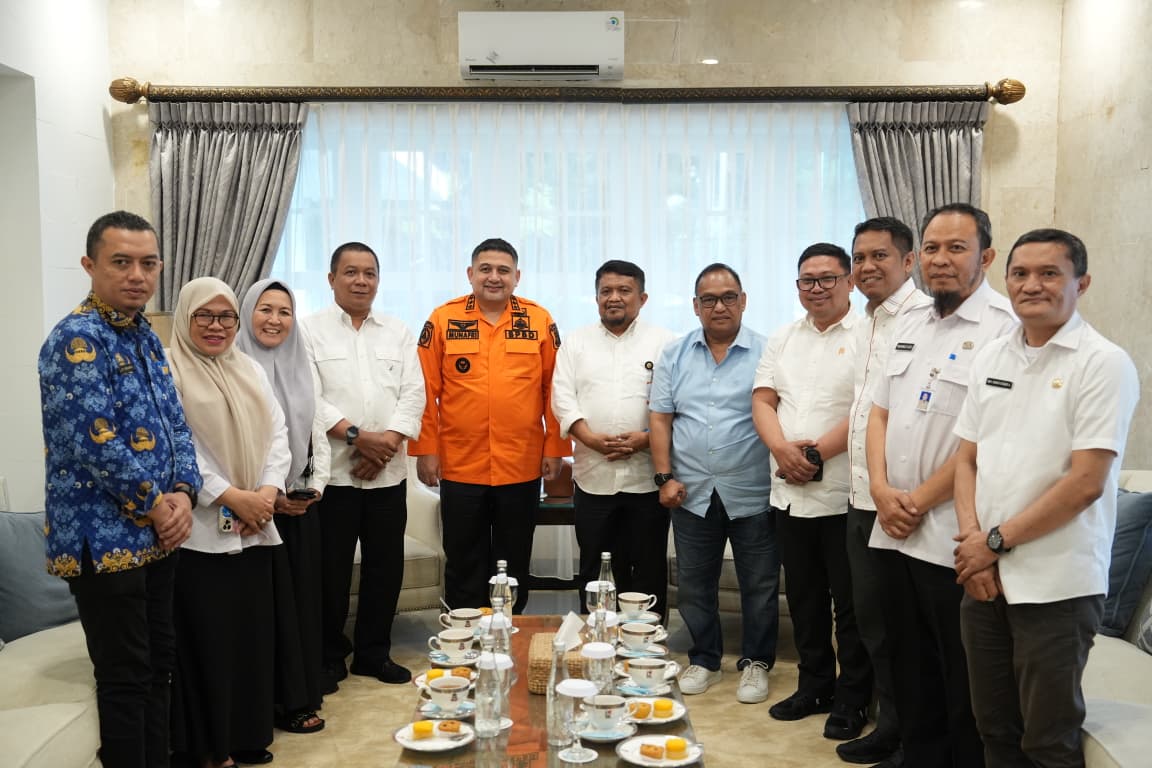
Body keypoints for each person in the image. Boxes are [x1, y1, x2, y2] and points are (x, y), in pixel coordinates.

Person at [952, 229, 1139, 767]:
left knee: (1048, 741)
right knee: (993, 728)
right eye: (1020, 273)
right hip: (984, 579)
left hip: (1057, 586)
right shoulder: (992, 355)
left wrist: (992, 542)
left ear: (1082, 283)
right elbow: (966, 459)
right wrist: (974, 544)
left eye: (1049, 273)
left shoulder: (1103, 363)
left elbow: (1085, 483)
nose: (1031, 285)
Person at [38, 210, 200, 768]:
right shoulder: (76, 338)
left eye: (148, 263)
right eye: (121, 262)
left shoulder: (145, 336)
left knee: (159, 665)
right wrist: (157, 505)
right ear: (90, 265)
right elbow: (96, 440)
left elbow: (176, 424)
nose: (137, 275)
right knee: (126, 677)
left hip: (159, 534)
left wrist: (185, 492)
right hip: (102, 539)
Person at [865, 203, 1017, 768]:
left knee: (960, 673)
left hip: (951, 533)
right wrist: (881, 490)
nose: (941, 259)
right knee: (908, 664)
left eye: (957, 247)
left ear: (986, 256)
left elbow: (983, 441)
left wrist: (915, 502)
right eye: (932, 247)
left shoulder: (1005, 328)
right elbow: (879, 413)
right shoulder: (910, 322)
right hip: (892, 526)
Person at [167, 277, 291, 768]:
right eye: (205, 316)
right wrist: (232, 496)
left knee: (250, 638)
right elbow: (178, 448)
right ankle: (210, 746)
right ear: (185, 317)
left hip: (255, 524)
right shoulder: (169, 369)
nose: (216, 326)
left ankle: (246, 734)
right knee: (210, 643)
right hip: (199, 532)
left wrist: (266, 493)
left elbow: (277, 433)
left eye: (226, 317)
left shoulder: (249, 368)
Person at [411, 237, 570, 613]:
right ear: (470, 274)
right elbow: (424, 391)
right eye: (485, 269)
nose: (494, 277)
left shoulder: (539, 320)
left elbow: (555, 391)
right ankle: (464, 635)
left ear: (517, 276)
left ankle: (509, 631)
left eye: (503, 270)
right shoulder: (443, 319)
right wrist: (426, 450)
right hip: (460, 465)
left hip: (521, 465)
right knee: (464, 558)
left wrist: (555, 450)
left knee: (513, 560)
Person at [753, 243, 871, 729]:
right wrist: (782, 449)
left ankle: (853, 697)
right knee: (803, 600)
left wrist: (816, 453)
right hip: (789, 493)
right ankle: (814, 686)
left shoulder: (868, 335)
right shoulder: (783, 337)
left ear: (849, 281)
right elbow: (763, 400)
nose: (816, 288)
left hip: (845, 495)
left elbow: (868, 409)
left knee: (851, 605)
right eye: (807, 280)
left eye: (827, 278)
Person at [649, 263, 779, 702]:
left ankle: (756, 662)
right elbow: (660, 418)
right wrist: (664, 477)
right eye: (709, 299)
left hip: (753, 488)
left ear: (743, 301)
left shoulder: (769, 351)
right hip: (691, 491)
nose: (719, 306)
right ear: (696, 306)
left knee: (759, 584)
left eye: (728, 297)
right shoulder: (675, 354)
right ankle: (704, 659)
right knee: (693, 584)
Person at [301, 242, 426, 688]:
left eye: (369, 273)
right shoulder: (308, 331)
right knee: (330, 570)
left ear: (378, 280)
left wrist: (385, 445)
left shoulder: (398, 331)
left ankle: (374, 653)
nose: (360, 281)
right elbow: (309, 397)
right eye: (350, 272)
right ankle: (330, 654)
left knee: (384, 569)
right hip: (334, 475)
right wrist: (359, 437)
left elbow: (414, 393)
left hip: (388, 474)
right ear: (331, 278)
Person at [838, 217, 932, 768]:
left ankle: (911, 738)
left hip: (901, 504)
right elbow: (868, 411)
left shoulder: (926, 318)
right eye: (860, 258)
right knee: (873, 623)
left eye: (880, 256)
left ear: (908, 261)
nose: (867, 266)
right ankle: (891, 726)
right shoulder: (865, 323)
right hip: (861, 496)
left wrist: (888, 490)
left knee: (906, 631)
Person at [551, 260, 678, 617]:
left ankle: (647, 642)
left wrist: (645, 438)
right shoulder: (576, 342)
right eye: (606, 291)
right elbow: (562, 398)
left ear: (642, 298)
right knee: (596, 569)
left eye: (624, 290)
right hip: (594, 477)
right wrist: (589, 437)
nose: (614, 298)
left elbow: (679, 403)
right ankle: (597, 640)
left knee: (648, 568)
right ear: (596, 298)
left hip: (647, 479)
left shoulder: (666, 343)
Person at [237, 279, 331, 735]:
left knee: (301, 609)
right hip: (250, 512)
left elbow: (316, 435)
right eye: (265, 309)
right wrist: (268, 497)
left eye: (284, 311)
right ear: (246, 314)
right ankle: (264, 705)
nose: (275, 320)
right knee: (262, 614)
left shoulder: (301, 365)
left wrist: (315, 488)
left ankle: (298, 697)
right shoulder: (231, 366)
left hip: (299, 507)